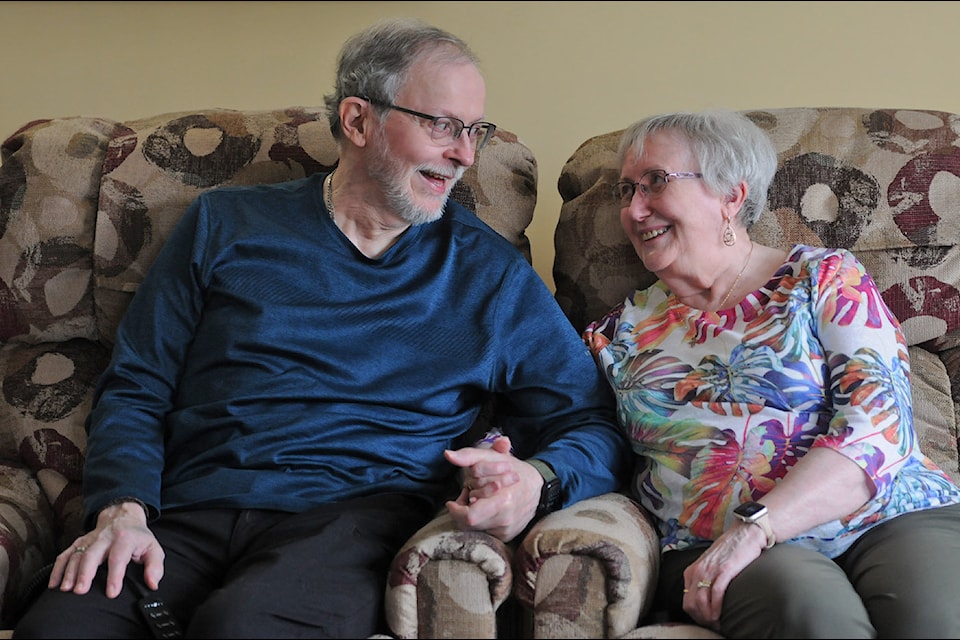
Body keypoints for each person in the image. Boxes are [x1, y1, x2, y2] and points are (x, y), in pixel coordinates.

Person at [13, 18, 629, 639]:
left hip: (354, 520)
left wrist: (539, 481)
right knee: (61, 628)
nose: (465, 154)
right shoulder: (224, 225)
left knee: (245, 629)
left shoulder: (487, 274)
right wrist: (122, 510)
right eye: (442, 125)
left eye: (474, 131)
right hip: (187, 508)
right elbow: (137, 384)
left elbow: (591, 420)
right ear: (358, 121)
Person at [582, 109, 960, 638]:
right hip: (727, 551)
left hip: (889, 515)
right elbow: (566, 424)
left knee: (939, 620)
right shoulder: (615, 335)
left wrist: (755, 528)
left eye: (656, 183)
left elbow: (877, 426)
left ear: (731, 197)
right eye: (627, 190)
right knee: (812, 616)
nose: (635, 208)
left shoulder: (825, 278)